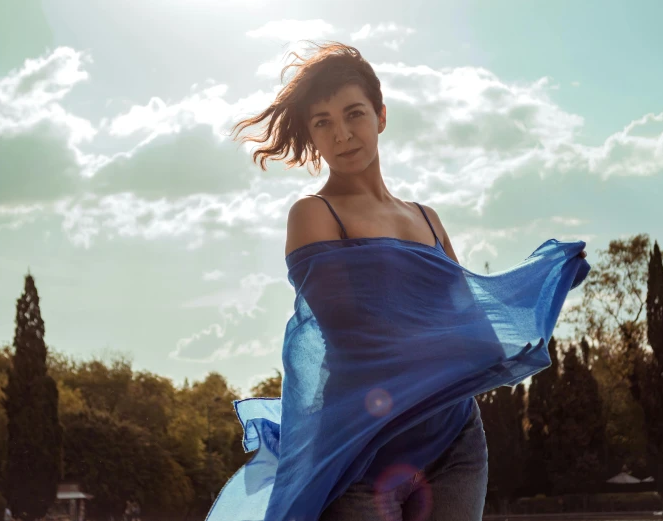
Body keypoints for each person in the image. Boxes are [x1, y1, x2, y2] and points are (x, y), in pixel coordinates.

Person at [214, 41, 588, 521]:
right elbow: (358, 337)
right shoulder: (313, 214)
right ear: (311, 136)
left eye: (354, 114)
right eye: (323, 122)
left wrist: (538, 286)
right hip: (362, 451)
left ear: (381, 116)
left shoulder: (427, 220)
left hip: (455, 442)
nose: (343, 134)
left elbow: (475, 332)